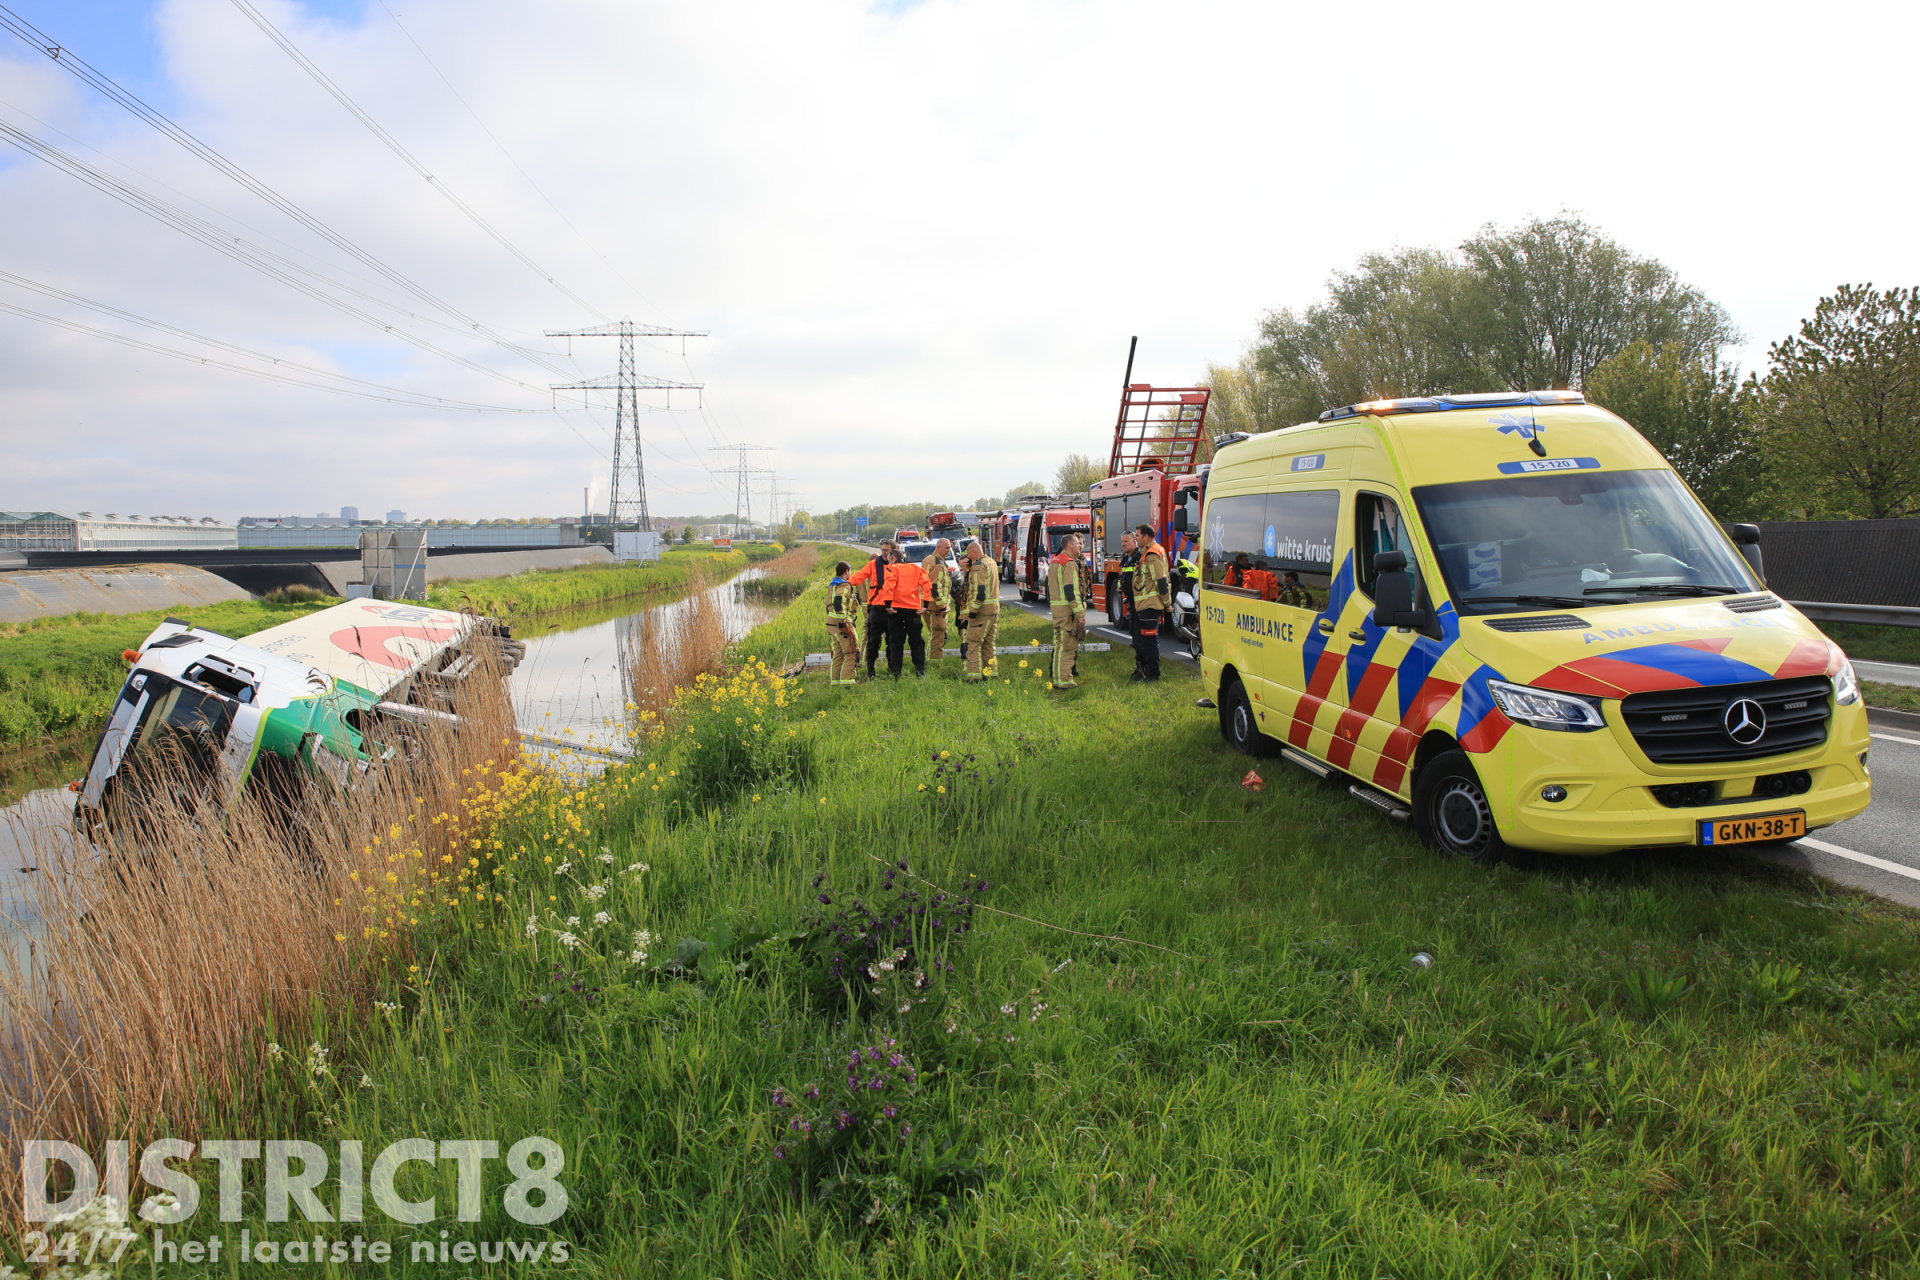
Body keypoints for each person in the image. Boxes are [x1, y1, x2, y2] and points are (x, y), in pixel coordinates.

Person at [876, 549, 931, 678]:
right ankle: (920, 670)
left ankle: (897, 672)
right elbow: (927, 585)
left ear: (894, 558)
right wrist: (926, 605)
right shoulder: (916, 569)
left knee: (896, 641)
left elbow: (889, 586)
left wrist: (888, 605)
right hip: (913, 609)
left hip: (896, 610)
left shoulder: (892, 569)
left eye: (889, 560)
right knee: (917, 641)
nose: (888, 563)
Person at [847, 540, 895, 677]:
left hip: (893, 609)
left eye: (887, 550)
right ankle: (870, 672)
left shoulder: (899, 566)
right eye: (883, 550)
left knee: (893, 642)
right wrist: (844, 583)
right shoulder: (873, 565)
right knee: (873, 642)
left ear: (893, 551)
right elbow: (859, 576)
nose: (884, 553)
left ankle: (893, 670)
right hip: (877, 609)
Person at [1047, 533, 1087, 689]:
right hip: (1067, 612)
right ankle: (1065, 680)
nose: (1080, 546)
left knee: (1059, 646)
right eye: (1077, 543)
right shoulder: (1069, 563)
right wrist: (1080, 613)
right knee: (1068, 647)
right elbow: (1071, 590)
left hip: (1057, 611)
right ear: (1070, 545)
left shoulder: (1055, 561)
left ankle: (1057, 679)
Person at [1131, 523, 1169, 682]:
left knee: (1149, 640)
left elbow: (1160, 580)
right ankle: (1146, 670)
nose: (1135, 539)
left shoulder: (1152, 554)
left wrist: (1167, 603)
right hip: (1146, 604)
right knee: (1144, 640)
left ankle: (1154, 673)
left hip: (1150, 604)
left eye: (1137, 536)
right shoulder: (1147, 552)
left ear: (1146, 537)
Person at [961, 540, 1000, 682]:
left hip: (982, 612)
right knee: (989, 644)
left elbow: (980, 591)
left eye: (969, 554)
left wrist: (973, 611)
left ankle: (974, 676)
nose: (968, 557)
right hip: (994, 609)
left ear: (974, 551)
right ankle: (991, 674)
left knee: (973, 643)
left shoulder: (978, 566)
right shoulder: (991, 562)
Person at [824, 562, 860, 685]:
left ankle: (835, 682)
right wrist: (843, 623)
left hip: (831, 623)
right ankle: (847, 682)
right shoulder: (844, 585)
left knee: (838, 653)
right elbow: (839, 601)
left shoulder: (832, 585)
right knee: (851, 651)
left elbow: (830, 604)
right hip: (841, 624)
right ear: (846, 571)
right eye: (850, 571)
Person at [920, 538, 956, 660]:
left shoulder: (928, 560)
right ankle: (935, 661)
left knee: (934, 634)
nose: (949, 550)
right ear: (938, 547)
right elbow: (935, 587)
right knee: (939, 635)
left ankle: (929, 658)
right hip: (935, 606)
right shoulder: (938, 563)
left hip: (925, 603)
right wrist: (943, 607)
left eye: (950, 547)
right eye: (947, 547)